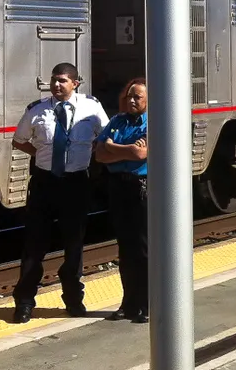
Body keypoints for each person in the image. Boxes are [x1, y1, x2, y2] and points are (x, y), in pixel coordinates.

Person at [11, 63, 110, 324]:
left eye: (63, 81)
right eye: (54, 80)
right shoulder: (37, 110)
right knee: (34, 244)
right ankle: (24, 302)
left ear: (76, 83)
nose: (57, 85)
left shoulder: (92, 107)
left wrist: (86, 153)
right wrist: (43, 155)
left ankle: (73, 299)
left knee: (74, 244)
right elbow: (19, 140)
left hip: (76, 183)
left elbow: (105, 136)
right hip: (45, 182)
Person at [94, 78, 149, 323]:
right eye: (129, 96)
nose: (132, 100)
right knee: (125, 249)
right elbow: (99, 155)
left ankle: (147, 303)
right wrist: (126, 149)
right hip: (119, 187)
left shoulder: (154, 121)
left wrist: (113, 146)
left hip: (142, 188)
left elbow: (142, 154)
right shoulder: (117, 121)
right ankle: (128, 303)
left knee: (144, 249)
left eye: (137, 97)